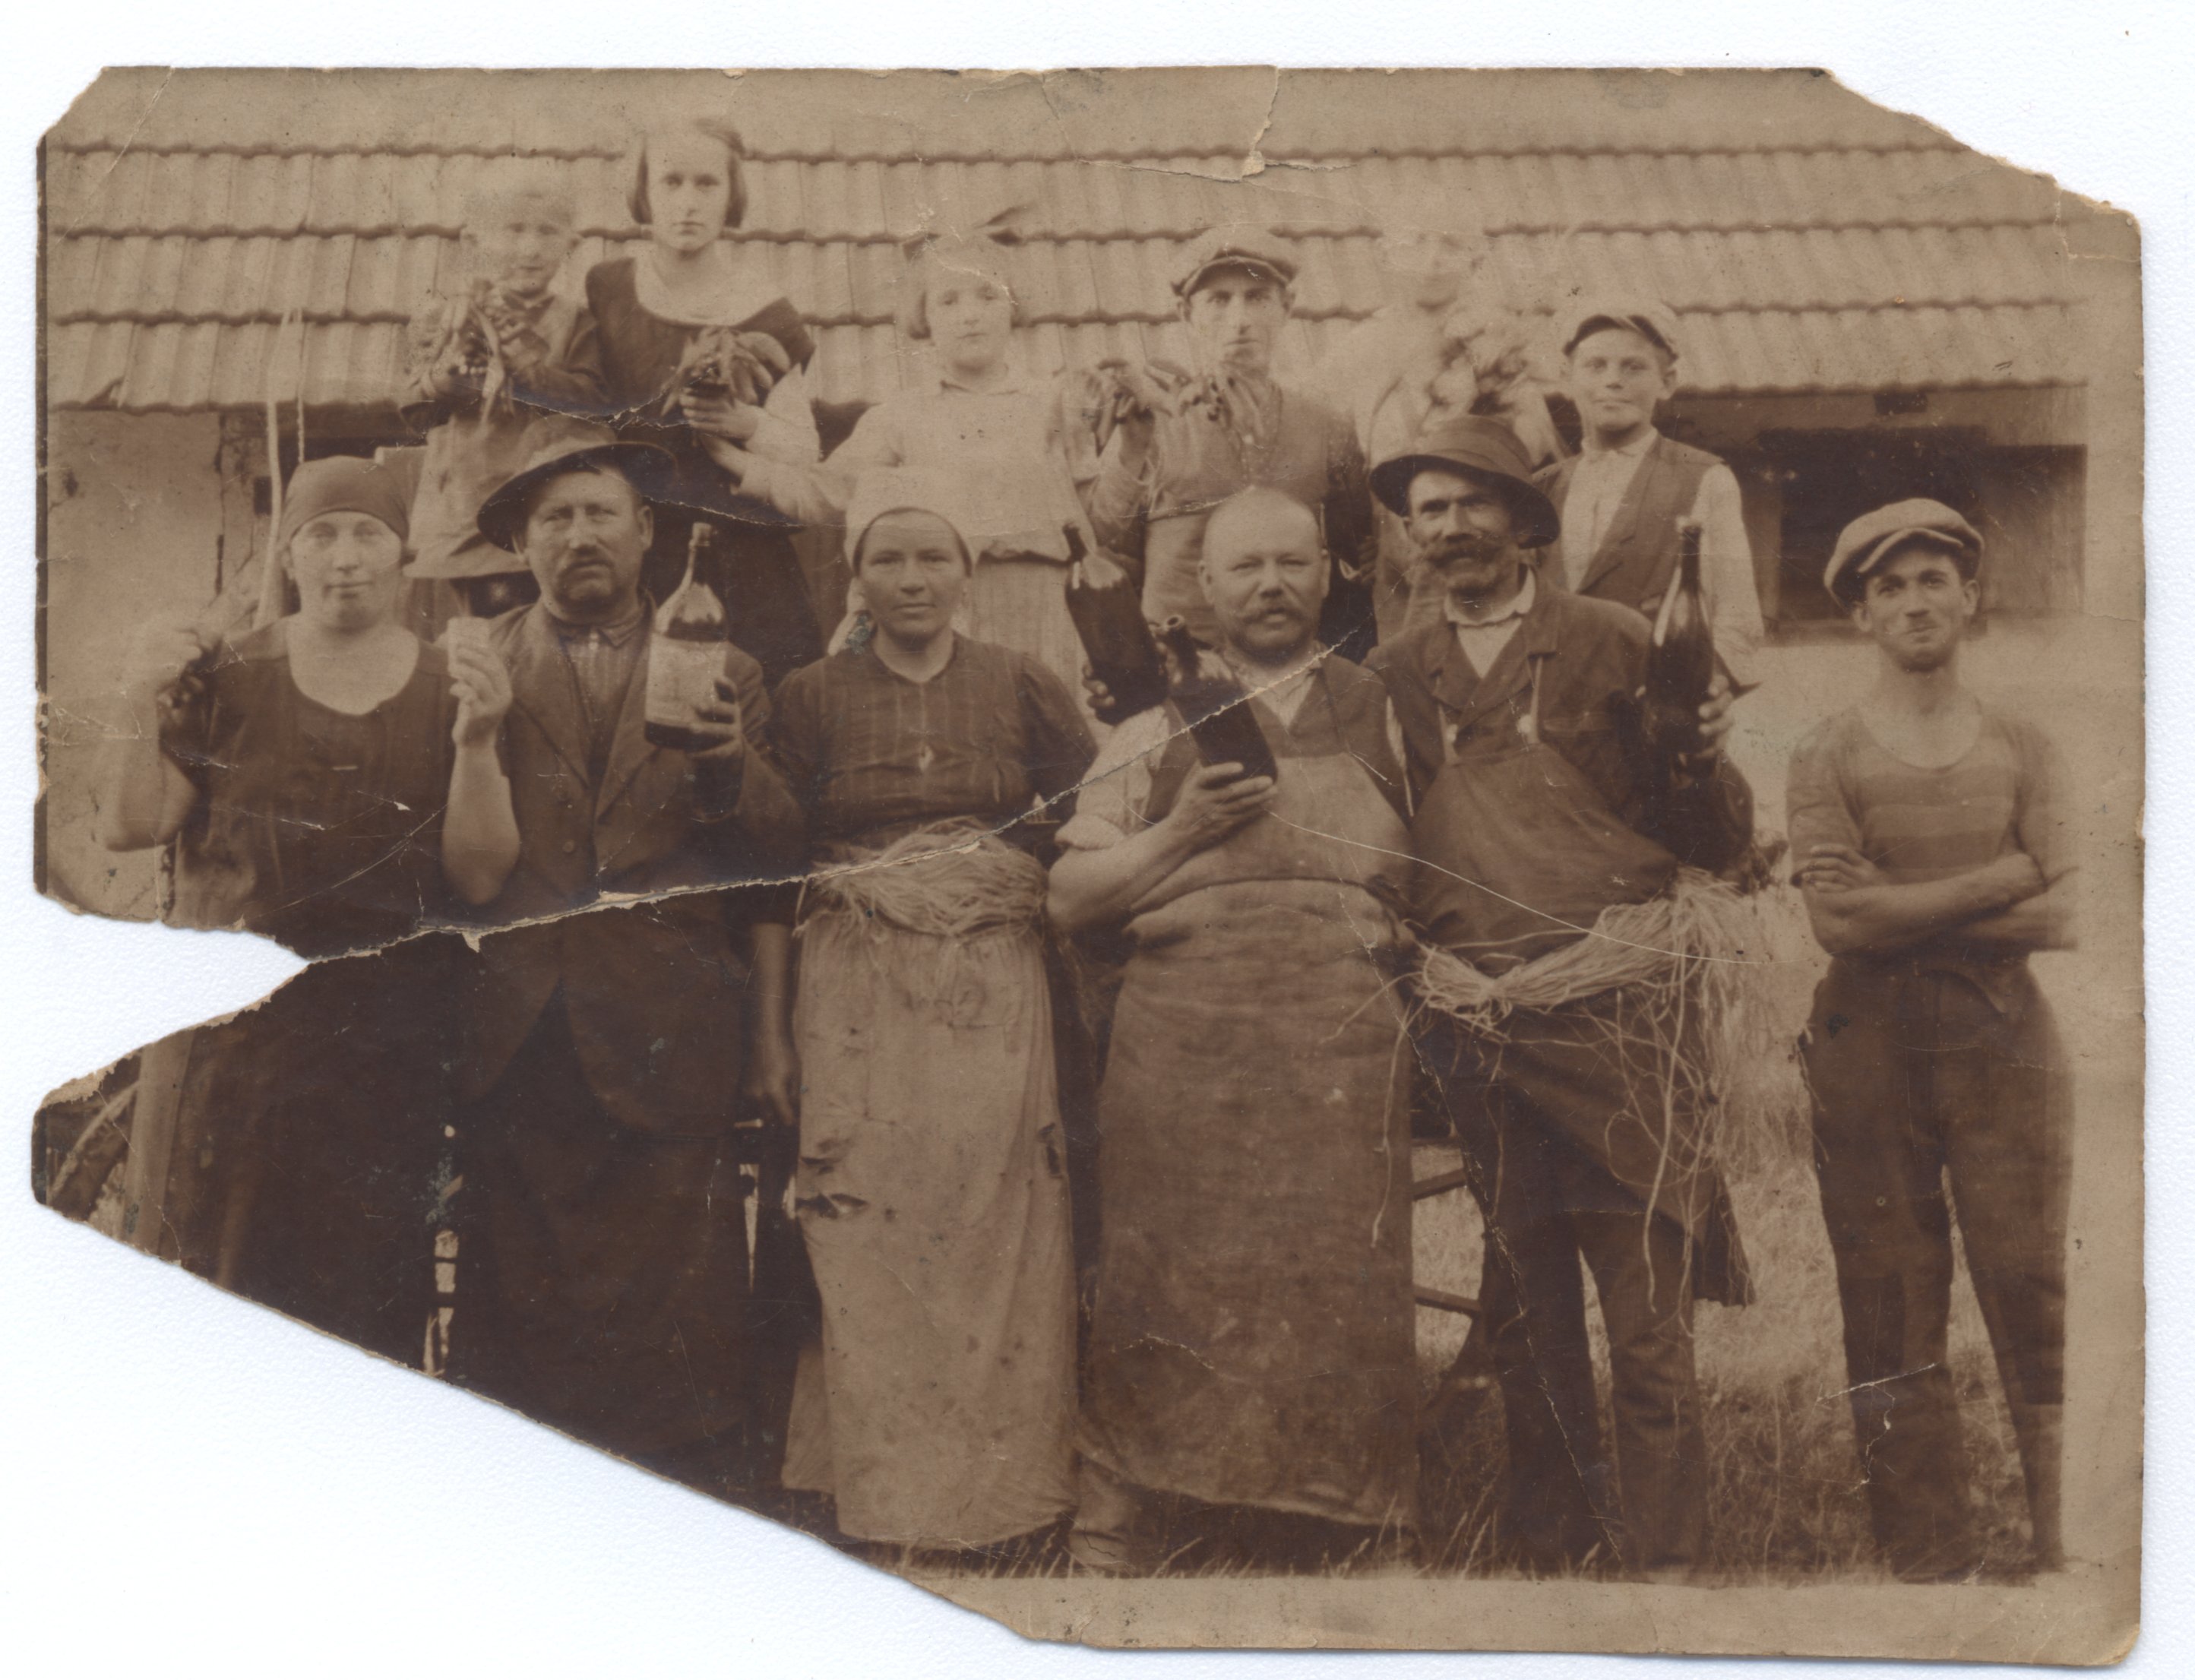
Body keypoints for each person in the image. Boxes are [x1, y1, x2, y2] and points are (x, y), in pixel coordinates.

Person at [1366, 416, 1755, 1579]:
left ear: (1525, 520)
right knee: (1528, 1319)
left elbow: (1711, 842)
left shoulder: (1613, 638)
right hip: (1481, 1030)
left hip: (1618, 1023)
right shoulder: (1396, 672)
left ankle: (1670, 1570)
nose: (1449, 528)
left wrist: (1698, 757)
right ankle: (1552, 1551)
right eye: (1427, 512)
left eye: (1470, 503)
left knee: (1646, 1325)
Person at [1049, 486, 1417, 1573]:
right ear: (1204, 588)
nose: (1271, 586)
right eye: (1245, 567)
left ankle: (1362, 1515)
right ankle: (1121, 1513)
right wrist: (1183, 830)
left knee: (1346, 1281)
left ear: (1329, 576)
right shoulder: (1150, 723)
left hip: (1341, 1036)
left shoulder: (1384, 707)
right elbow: (1071, 896)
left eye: (1292, 564)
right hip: (1184, 1039)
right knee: (1159, 1276)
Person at [96, 455, 519, 1362]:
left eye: (368, 533)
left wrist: (480, 742)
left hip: (380, 1067)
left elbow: (482, 878)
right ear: (288, 555)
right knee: (219, 1301)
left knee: (361, 1318)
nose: (346, 557)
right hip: (231, 1067)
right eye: (321, 535)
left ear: (403, 553)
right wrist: (136, 693)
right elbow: (130, 824)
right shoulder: (228, 678)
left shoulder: (449, 687)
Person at [451, 416, 802, 1499]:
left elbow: (775, 856)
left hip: (667, 1030)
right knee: (519, 1304)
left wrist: (730, 763)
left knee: (677, 1308)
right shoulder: (477, 664)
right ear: (522, 543)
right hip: (522, 1028)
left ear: (648, 530)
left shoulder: (724, 664)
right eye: (554, 518)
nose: (580, 535)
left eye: (601, 512)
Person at [761, 469, 1095, 1556]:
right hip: (856, 980)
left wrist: (977, 884)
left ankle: (1004, 1503)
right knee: (865, 1218)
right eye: (889, 558)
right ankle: (875, 1495)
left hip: (991, 979)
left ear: (968, 573)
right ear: (856, 577)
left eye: (933, 557)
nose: (913, 578)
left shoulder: (1020, 681)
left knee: (996, 1216)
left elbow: (1086, 811)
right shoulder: (811, 694)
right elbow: (772, 856)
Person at [1789, 499, 2075, 1580]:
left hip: (2003, 1032)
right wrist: (2004, 877)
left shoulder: (2023, 741)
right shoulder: (1825, 750)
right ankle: (1926, 1556)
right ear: (1861, 615)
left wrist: (1907, 904)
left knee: (2034, 1278)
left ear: (1970, 596)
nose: (1913, 602)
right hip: (1866, 1039)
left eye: (1932, 580)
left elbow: (2075, 909)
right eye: (1889, 587)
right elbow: (1840, 926)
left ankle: (2068, 1538)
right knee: (1889, 1288)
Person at [767, 223, 1105, 720]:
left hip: (1050, 608)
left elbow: (1102, 517)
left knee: (1055, 734)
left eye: (987, 296)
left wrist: (1134, 446)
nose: (970, 314)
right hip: (955, 613)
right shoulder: (900, 417)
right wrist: (740, 456)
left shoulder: (1055, 403)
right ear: (923, 315)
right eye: (948, 300)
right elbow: (819, 492)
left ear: (1011, 307)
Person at [582, 117, 826, 689]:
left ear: (731, 194)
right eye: (671, 182)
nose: (688, 203)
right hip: (630, 549)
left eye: (707, 184)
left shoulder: (766, 311)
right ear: (644, 191)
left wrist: (749, 423)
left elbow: (806, 451)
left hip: (738, 554)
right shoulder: (607, 289)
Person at [1085, 226, 1376, 660]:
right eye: (1219, 300)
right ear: (1186, 313)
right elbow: (1105, 540)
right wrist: (1132, 448)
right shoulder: (1151, 419)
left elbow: (1355, 547)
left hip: (1291, 661)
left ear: (1287, 307)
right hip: (1182, 664)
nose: (1240, 320)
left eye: (1257, 298)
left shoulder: (1326, 425)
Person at [1311, 221, 1562, 644]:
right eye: (1415, 241)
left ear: (1475, 257)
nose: (1432, 261)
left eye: (1451, 243)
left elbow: (1535, 450)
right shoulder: (1357, 348)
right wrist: (1356, 539)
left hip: (1481, 542)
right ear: (1387, 252)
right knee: (1409, 660)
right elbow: (1330, 452)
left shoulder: (1499, 338)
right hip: (1396, 555)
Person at [1532, 299, 1765, 690]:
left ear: (1667, 382)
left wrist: (1705, 695)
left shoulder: (1704, 478)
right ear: (1565, 378)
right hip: (1553, 709)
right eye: (1595, 366)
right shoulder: (1543, 486)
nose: (1613, 381)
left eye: (1634, 367)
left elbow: (1739, 622)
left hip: (1657, 704)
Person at [401, 159, 604, 598]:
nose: (530, 249)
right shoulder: (447, 317)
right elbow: (413, 408)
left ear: (571, 244)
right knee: (479, 616)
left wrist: (529, 372)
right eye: (513, 230)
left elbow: (592, 400)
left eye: (547, 232)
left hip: (549, 503)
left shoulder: (581, 322)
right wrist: (447, 380)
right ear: (474, 241)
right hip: (467, 506)